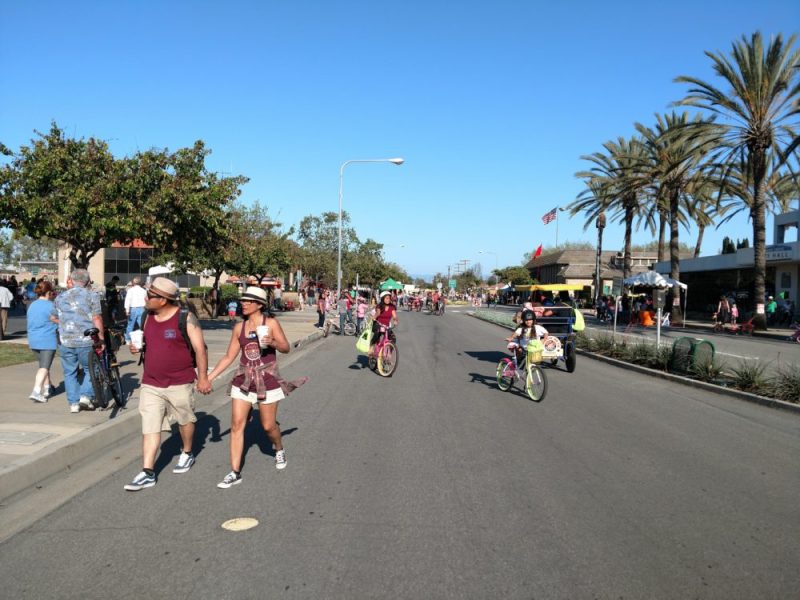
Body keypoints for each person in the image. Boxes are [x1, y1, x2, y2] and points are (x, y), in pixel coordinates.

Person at [207, 287, 307, 488]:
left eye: (248, 301)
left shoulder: (270, 323)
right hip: (243, 381)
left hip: (267, 380)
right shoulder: (239, 328)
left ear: (259, 305)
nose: (243, 303)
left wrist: (274, 342)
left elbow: (286, 348)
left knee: (268, 426)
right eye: (242, 300)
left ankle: (278, 448)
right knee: (236, 425)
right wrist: (209, 378)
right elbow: (229, 356)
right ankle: (235, 472)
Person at [124, 277, 212, 492]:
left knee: (185, 420)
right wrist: (137, 348)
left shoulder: (186, 318)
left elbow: (201, 349)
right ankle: (147, 472)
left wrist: (202, 377)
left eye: (150, 295)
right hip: (151, 383)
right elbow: (149, 343)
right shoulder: (146, 316)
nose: (146, 298)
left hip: (180, 382)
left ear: (163, 300)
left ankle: (187, 452)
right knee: (150, 427)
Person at [51, 269, 103, 413]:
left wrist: (66, 323)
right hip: (86, 339)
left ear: (71, 280)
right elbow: (97, 318)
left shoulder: (60, 297)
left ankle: (73, 403)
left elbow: (53, 317)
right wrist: (101, 339)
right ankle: (85, 395)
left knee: (69, 372)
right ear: (87, 280)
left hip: (66, 340)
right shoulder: (92, 295)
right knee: (91, 368)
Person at [26, 281, 58, 403]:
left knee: (43, 366)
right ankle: (36, 391)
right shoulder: (51, 306)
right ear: (49, 292)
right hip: (47, 339)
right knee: (44, 367)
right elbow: (58, 320)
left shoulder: (32, 305)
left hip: (33, 339)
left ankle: (48, 388)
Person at [369, 291, 398, 356]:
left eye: (389, 298)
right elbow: (378, 313)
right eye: (386, 298)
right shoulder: (379, 305)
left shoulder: (392, 307)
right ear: (382, 298)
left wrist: (395, 320)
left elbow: (394, 316)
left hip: (386, 326)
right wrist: (374, 317)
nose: (388, 300)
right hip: (378, 324)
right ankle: (371, 346)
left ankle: (389, 353)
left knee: (393, 338)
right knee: (377, 334)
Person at [124, 277, 147, 343]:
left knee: (130, 325)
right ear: (140, 283)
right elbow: (146, 300)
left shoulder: (130, 290)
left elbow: (128, 300)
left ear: (133, 283)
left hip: (133, 309)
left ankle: (128, 339)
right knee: (142, 325)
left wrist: (127, 310)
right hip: (142, 308)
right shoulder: (144, 290)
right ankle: (143, 339)